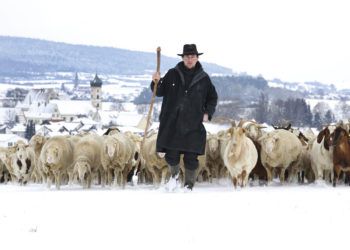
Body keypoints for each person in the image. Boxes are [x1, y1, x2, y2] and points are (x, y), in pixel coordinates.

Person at [151, 44, 218, 190]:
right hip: (172, 123)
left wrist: (207, 112)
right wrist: (156, 81)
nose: (190, 59)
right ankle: (174, 179)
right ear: (182, 58)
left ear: (197, 58)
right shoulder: (172, 73)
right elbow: (159, 91)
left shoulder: (204, 79)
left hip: (193, 124)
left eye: (192, 56)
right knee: (171, 155)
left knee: (191, 158)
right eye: (187, 56)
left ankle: (189, 185)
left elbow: (212, 97)